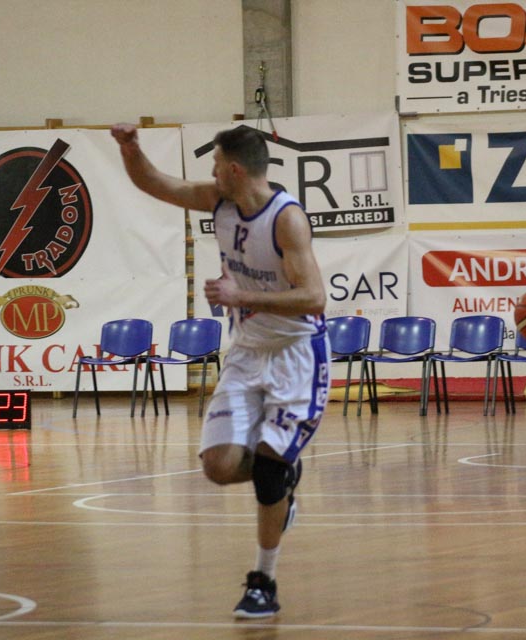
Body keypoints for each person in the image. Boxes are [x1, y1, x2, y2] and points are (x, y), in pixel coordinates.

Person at [111, 123, 330, 618]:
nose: (210, 173)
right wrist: (131, 149)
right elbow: (155, 183)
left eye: (214, 164)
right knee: (220, 467)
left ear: (234, 169)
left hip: (296, 355)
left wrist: (240, 295)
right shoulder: (219, 201)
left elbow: (314, 299)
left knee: (267, 470)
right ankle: (283, 480)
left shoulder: (286, 219)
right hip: (247, 353)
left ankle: (263, 582)